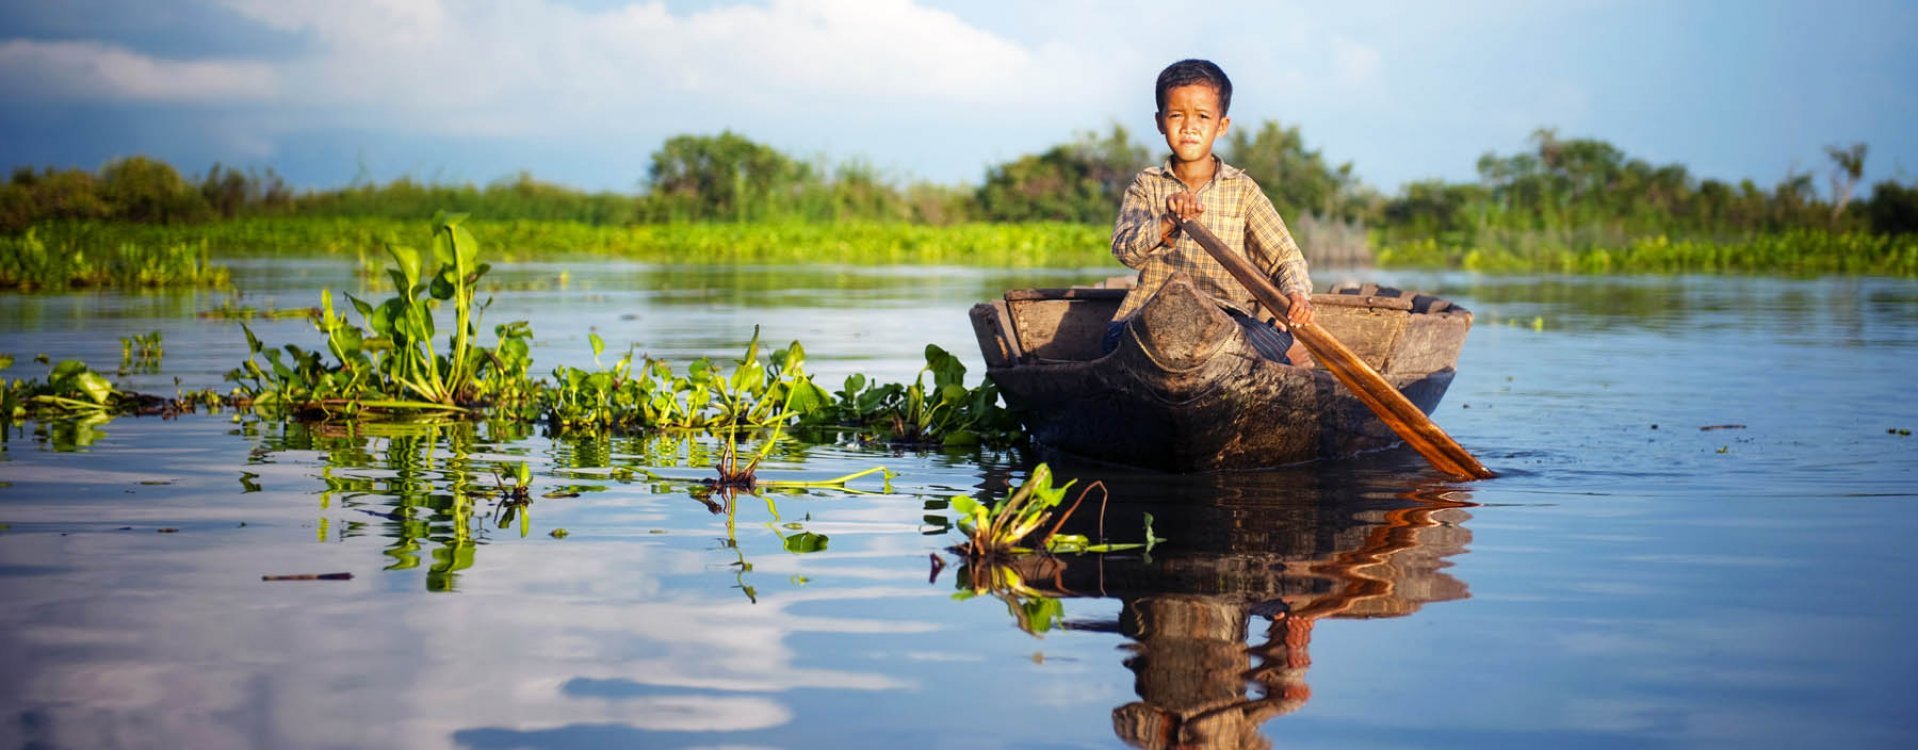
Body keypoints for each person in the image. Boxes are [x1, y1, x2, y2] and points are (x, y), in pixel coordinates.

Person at [1103, 59, 1314, 363]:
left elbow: (1285, 258)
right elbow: (1126, 251)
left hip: (1226, 320)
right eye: (1176, 115)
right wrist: (1166, 222)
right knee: (1115, 342)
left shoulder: (1241, 190)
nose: (1188, 127)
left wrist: (1296, 295)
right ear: (1160, 121)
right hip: (1149, 314)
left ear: (1222, 125)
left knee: (1271, 341)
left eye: (1202, 116)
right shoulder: (1147, 185)